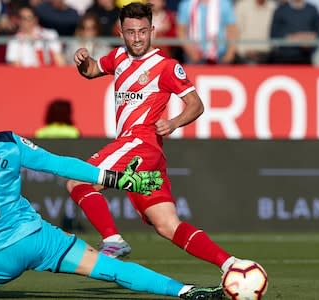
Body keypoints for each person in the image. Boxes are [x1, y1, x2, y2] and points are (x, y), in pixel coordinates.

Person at [0, 84, 224, 300]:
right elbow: (61, 165)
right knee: (109, 268)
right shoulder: (9, 141)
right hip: (38, 240)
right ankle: (186, 291)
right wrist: (117, 179)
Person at [67, 2, 241, 275]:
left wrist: (173, 122)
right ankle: (231, 264)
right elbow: (90, 71)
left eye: (142, 31)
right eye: (131, 32)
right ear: (121, 32)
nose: (137, 38)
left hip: (140, 143)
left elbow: (196, 105)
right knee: (167, 225)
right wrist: (82, 60)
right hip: (144, 154)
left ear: (153, 30)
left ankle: (112, 240)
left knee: (77, 180)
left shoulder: (167, 67)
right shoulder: (118, 57)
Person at [269, 0, 319, 64]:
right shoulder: (280, 10)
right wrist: (294, 38)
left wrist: (309, 38)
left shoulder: (312, 10)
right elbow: (273, 35)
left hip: (306, 59)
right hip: (284, 58)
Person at [234, 0, 276, 64]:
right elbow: (236, 31)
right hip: (245, 56)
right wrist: (243, 51)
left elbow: (275, 34)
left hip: (267, 56)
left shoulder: (274, 7)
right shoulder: (242, 6)